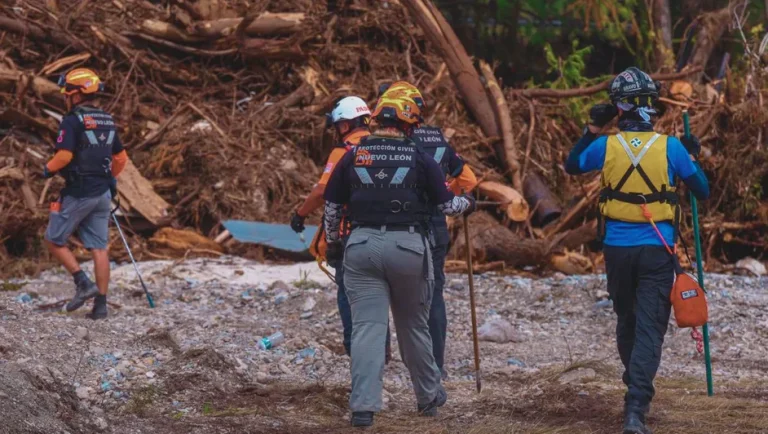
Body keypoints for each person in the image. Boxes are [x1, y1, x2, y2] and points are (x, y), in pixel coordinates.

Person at [565, 67, 709, 434]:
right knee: (648, 327)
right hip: (656, 250)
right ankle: (636, 407)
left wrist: (592, 129)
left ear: (619, 109)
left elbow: (572, 165)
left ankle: (635, 390)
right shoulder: (671, 147)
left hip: (616, 250)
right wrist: (691, 158)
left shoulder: (605, 145)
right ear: (653, 108)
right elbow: (702, 189)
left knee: (627, 319)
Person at [323, 89, 475, 427]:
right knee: (413, 326)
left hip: (360, 247)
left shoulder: (354, 153)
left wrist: (334, 244)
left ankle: (363, 408)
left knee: (367, 328)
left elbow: (331, 207)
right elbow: (448, 205)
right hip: (408, 248)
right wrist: (470, 203)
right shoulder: (419, 155)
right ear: (409, 124)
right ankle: (429, 397)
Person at [378, 81, 478, 378]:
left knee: (380, 292)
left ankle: (381, 361)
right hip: (434, 227)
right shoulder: (437, 138)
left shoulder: (378, 140)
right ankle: (436, 366)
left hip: (388, 224)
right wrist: (449, 193)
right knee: (432, 296)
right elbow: (469, 180)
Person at [289, 96, 391, 359]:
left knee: (348, 293)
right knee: (378, 294)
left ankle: (354, 348)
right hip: (388, 233)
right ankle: (383, 349)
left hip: (351, 236)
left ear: (345, 125)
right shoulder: (388, 147)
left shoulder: (343, 152)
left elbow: (323, 191)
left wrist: (300, 215)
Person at [43, 68, 129, 320]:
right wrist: (109, 178)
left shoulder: (71, 121)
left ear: (77, 95)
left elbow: (64, 156)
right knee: (99, 248)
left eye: (67, 92)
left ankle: (82, 282)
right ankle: (100, 307)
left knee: (53, 239)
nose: (65, 97)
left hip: (79, 191)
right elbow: (121, 158)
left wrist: (46, 169)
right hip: (103, 193)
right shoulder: (107, 120)